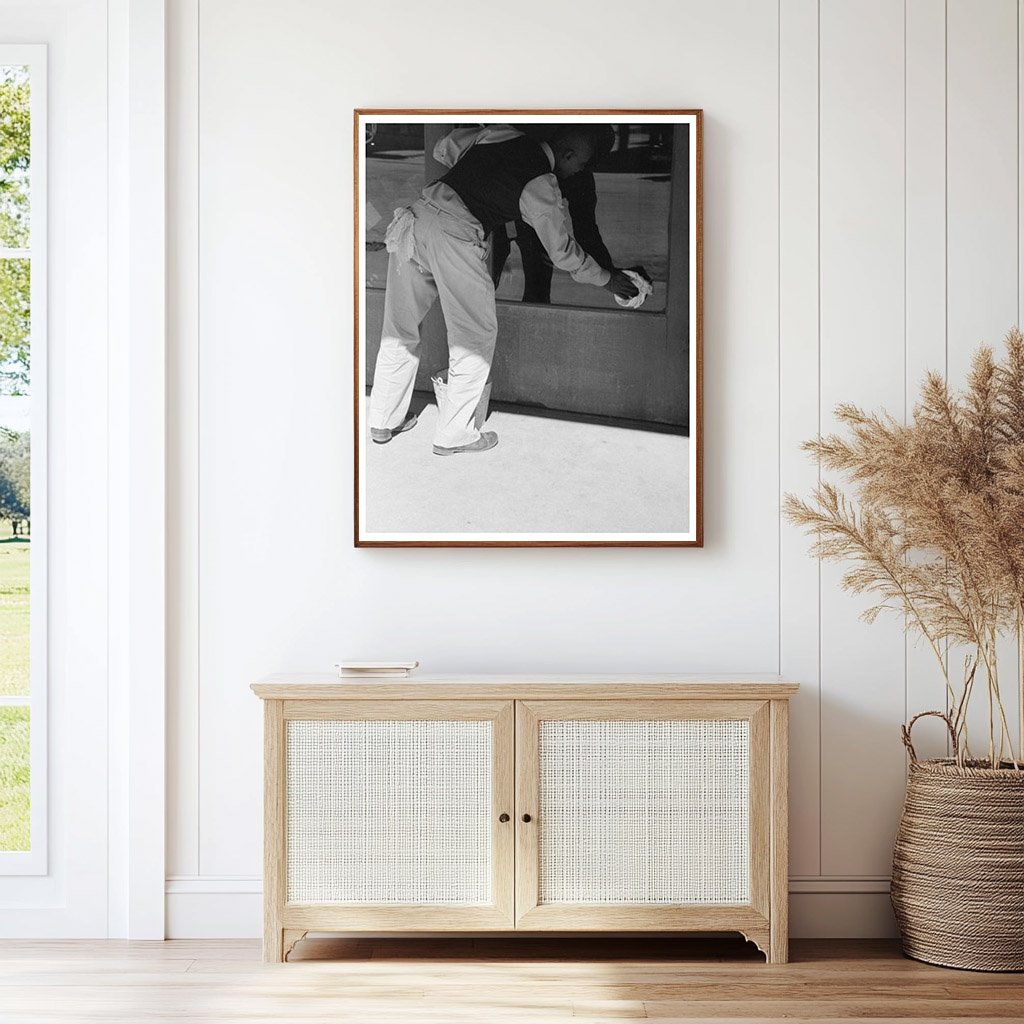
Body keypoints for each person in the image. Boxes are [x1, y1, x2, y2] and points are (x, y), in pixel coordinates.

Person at [367, 124, 640, 456]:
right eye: (580, 164)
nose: (577, 173)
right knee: (474, 334)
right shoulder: (542, 183)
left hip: (415, 219)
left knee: (400, 327)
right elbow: (562, 252)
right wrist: (606, 278)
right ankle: (455, 433)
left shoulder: (502, 135)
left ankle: (383, 419)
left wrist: (477, 174)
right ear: (569, 154)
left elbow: (444, 146)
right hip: (455, 235)